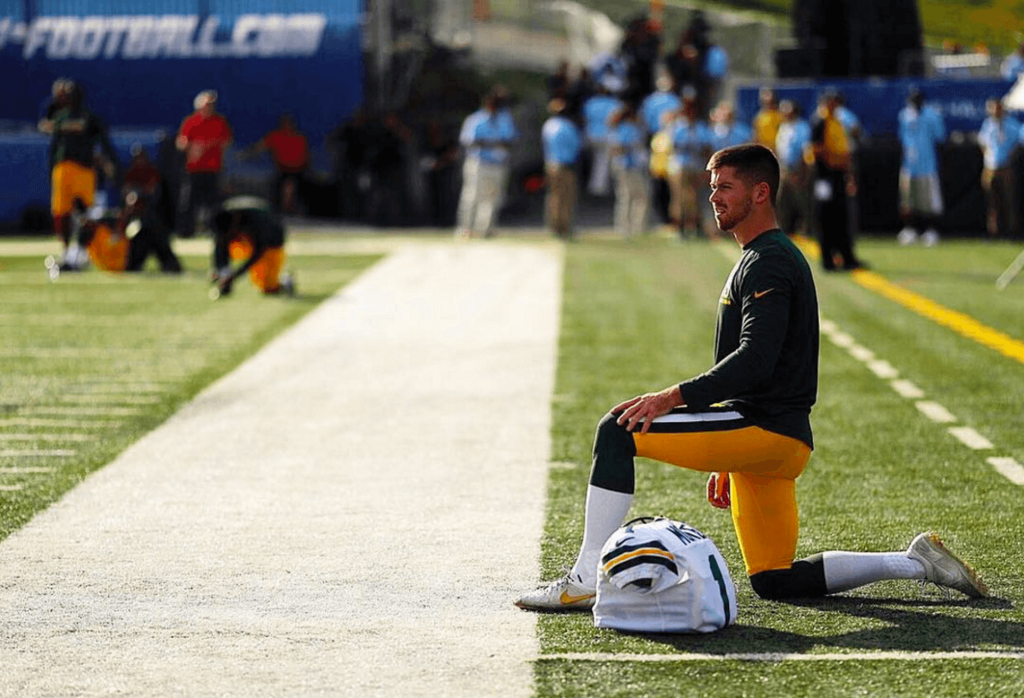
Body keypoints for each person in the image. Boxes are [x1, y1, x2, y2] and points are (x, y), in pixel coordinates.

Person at [514, 143, 988, 612]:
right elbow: (758, 369)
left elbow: (755, 360)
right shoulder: (760, 256)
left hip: (766, 430)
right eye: (712, 187)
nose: (714, 197)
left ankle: (583, 581)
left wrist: (672, 398)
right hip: (774, 441)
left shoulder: (770, 260)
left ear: (761, 193)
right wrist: (725, 452)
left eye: (725, 187)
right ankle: (914, 562)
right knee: (773, 579)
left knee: (617, 429)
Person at [44, 81, 120, 272]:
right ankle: (67, 250)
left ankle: (81, 251)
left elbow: (103, 140)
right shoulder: (59, 116)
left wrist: (112, 164)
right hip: (63, 168)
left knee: (86, 213)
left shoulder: (89, 118)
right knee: (62, 213)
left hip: (84, 169)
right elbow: (54, 145)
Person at [806, 89, 866, 271]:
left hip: (837, 176)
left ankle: (846, 256)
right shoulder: (820, 121)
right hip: (825, 177)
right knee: (826, 217)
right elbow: (816, 151)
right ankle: (828, 258)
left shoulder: (837, 121)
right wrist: (835, 162)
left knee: (841, 216)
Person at [455, 89, 518, 238]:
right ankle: (465, 228)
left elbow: (509, 141)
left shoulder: (505, 118)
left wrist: (488, 143)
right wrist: (494, 144)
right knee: (471, 196)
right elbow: (469, 142)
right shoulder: (475, 119)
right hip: (478, 163)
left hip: (498, 164)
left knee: (493, 199)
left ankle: (485, 229)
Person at [209, 196, 294, 298]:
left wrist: (234, 276)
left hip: (270, 246)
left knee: (267, 288)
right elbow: (221, 241)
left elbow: (258, 251)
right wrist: (222, 271)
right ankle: (224, 272)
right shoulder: (228, 218)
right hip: (247, 243)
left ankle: (284, 281)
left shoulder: (258, 221)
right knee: (223, 244)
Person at [175, 89, 233, 238]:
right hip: (194, 169)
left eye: (211, 104)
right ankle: (185, 231)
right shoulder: (191, 121)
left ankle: (214, 231)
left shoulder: (219, 122)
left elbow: (226, 141)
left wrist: (208, 145)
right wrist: (192, 146)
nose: (209, 107)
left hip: (212, 169)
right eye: (206, 104)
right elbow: (181, 142)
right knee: (188, 202)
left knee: (213, 203)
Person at [896, 88, 946, 247]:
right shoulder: (904, 116)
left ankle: (931, 231)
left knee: (929, 202)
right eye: (912, 101)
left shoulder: (932, 115)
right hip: (909, 166)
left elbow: (940, 137)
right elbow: (902, 139)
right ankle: (910, 230)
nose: (915, 104)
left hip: (927, 165)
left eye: (917, 100)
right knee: (907, 200)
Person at [243, 114, 310, 215]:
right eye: (285, 124)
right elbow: (259, 147)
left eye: (289, 124)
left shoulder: (300, 138)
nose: (287, 127)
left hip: (299, 171)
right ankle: (279, 210)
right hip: (283, 170)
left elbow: (307, 156)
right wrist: (245, 155)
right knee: (276, 187)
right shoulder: (275, 136)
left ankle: (297, 210)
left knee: (298, 188)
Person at [667, 93, 712, 237]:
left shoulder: (700, 127)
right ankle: (679, 228)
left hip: (696, 165)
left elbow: (706, 148)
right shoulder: (678, 127)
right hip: (680, 165)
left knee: (694, 198)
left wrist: (708, 168)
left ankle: (695, 227)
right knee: (679, 198)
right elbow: (674, 145)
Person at [976, 98, 1022, 238]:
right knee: (992, 202)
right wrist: (988, 157)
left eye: (997, 108)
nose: (995, 111)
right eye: (992, 108)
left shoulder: (1012, 124)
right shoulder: (987, 125)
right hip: (990, 168)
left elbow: (1021, 140)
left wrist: (1011, 155)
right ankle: (994, 233)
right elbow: (982, 142)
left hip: (1006, 168)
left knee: (1009, 201)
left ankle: (1012, 232)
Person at [541, 98, 582, 240]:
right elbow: (577, 147)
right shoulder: (568, 127)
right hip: (565, 166)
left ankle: (553, 226)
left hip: (551, 164)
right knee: (566, 198)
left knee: (553, 197)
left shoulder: (548, 125)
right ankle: (564, 228)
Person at [609, 103, 649, 238]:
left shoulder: (617, 129)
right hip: (629, 167)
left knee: (625, 197)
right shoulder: (629, 129)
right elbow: (620, 147)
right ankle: (635, 227)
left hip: (621, 166)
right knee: (638, 198)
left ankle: (623, 227)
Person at [775, 99, 812, 236]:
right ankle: (784, 229)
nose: (783, 112)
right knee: (781, 200)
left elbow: (805, 151)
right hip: (784, 169)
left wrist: (800, 172)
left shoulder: (802, 127)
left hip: (798, 168)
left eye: (786, 109)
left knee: (801, 201)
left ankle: (806, 230)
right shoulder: (783, 127)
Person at [581, 84, 624, 197]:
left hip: (590, 134)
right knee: (603, 162)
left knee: (595, 161)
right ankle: (599, 188)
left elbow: (585, 118)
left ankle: (594, 185)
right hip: (607, 135)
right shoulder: (614, 103)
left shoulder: (590, 102)